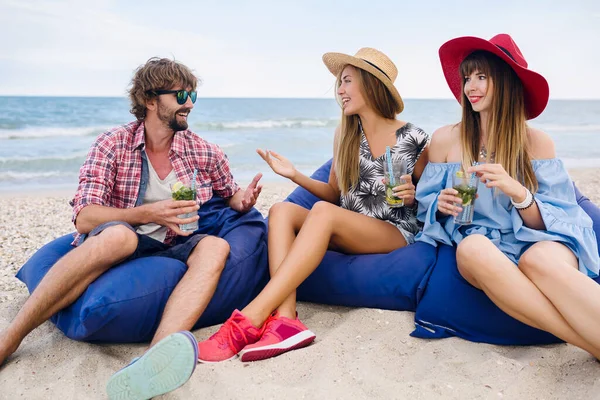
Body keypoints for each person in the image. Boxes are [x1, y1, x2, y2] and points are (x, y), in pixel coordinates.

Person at [0, 58, 262, 397]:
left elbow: (230, 194)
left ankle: (154, 362)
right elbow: (84, 216)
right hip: (123, 237)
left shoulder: (203, 150)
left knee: (216, 246)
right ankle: (11, 338)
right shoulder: (113, 144)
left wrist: (245, 200)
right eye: (181, 95)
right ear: (150, 100)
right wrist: (149, 213)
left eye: (194, 96)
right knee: (120, 237)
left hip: (174, 242)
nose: (190, 104)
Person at [197, 48, 430, 363]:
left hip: (394, 231)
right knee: (281, 211)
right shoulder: (346, 134)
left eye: (347, 82)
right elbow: (334, 194)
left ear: (372, 86)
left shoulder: (414, 138)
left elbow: (430, 197)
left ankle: (251, 317)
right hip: (349, 226)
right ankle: (285, 317)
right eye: (340, 84)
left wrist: (414, 195)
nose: (340, 91)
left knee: (321, 213)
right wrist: (294, 175)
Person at [415, 34, 600, 358]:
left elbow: (557, 221)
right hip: (484, 244)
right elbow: (425, 207)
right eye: (467, 77)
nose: (470, 86)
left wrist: (518, 192)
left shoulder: (536, 143)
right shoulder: (445, 140)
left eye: (482, 76)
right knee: (471, 248)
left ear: (506, 82)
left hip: (541, 241)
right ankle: (587, 341)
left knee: (537, 259)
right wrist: (440, 206)